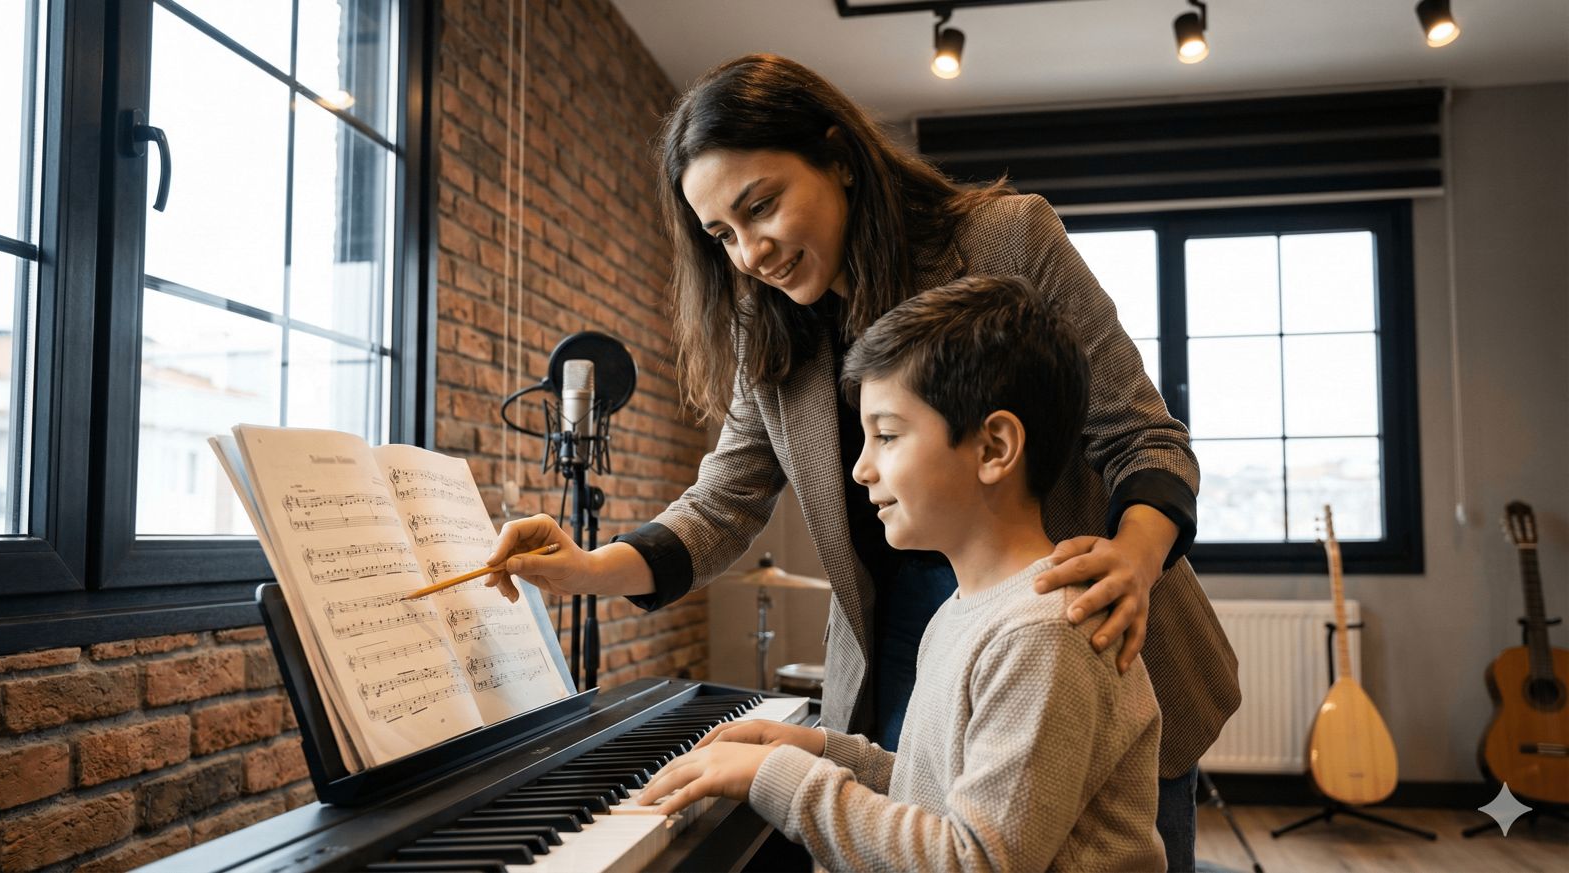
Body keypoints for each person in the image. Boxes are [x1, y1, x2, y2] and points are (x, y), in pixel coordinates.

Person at [485, 54, 1238, 869]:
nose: (750, 253)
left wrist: (1132, 560)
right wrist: (588, 567)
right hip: (916, 634)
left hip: (1075, 614)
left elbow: (1144, 437)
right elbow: (722, 503)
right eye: (722, 234)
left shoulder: (1005, 237)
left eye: (761, 206)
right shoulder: (767, 324)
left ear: (839, 157)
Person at [631, 275, 1166, 871]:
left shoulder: (1042, 634)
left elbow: (974, 860)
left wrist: (778, 776)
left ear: (994, 448)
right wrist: (822, 750)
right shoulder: (966, 611)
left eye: (886, 435)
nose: (861, 469)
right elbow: (934, 789)